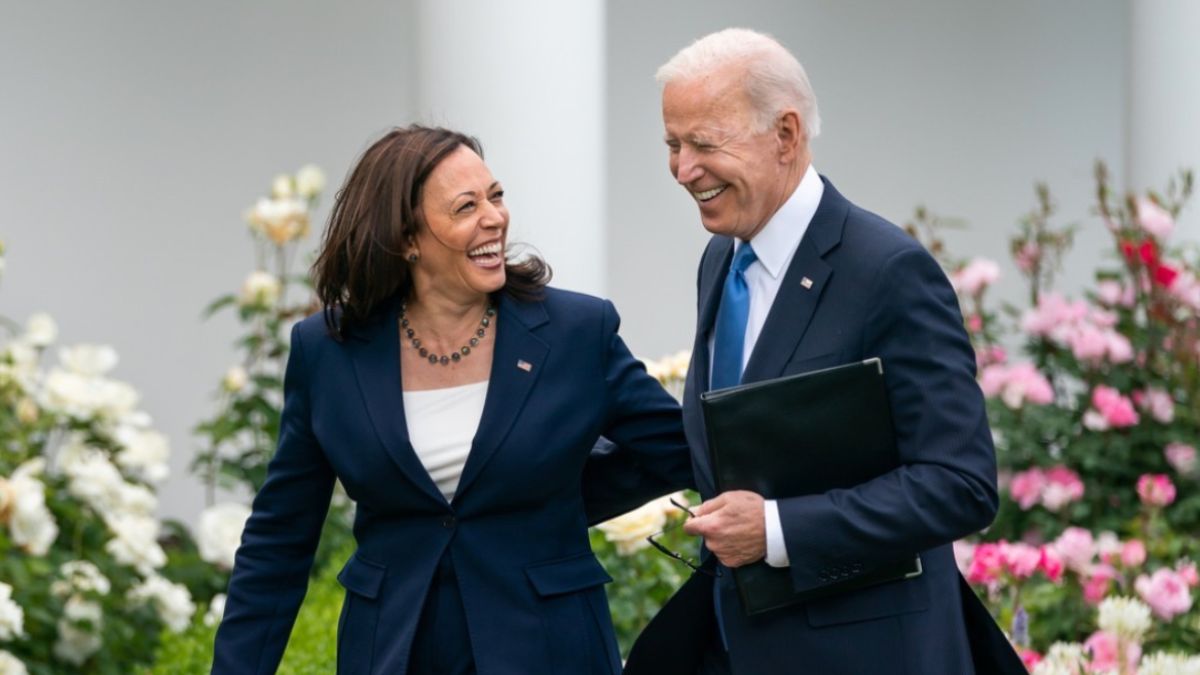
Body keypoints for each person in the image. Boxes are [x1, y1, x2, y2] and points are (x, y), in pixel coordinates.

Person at [211, 125, 692, 674]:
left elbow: (677, 449)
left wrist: (562, 499)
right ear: (407, 238)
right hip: (394, 650)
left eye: (496, 196)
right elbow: (280, 537)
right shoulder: (327, 351)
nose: (495, 218)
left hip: (549, 646)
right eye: (466, 206)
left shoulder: (576, 331)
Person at [626, 29, 1015, 674]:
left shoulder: (887, 271)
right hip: (735, 644)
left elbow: (960, 483)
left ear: (785, 134)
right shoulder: (720, 258)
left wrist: (779, 529)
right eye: (673, 144)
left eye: (703, 143)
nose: (683, 169)